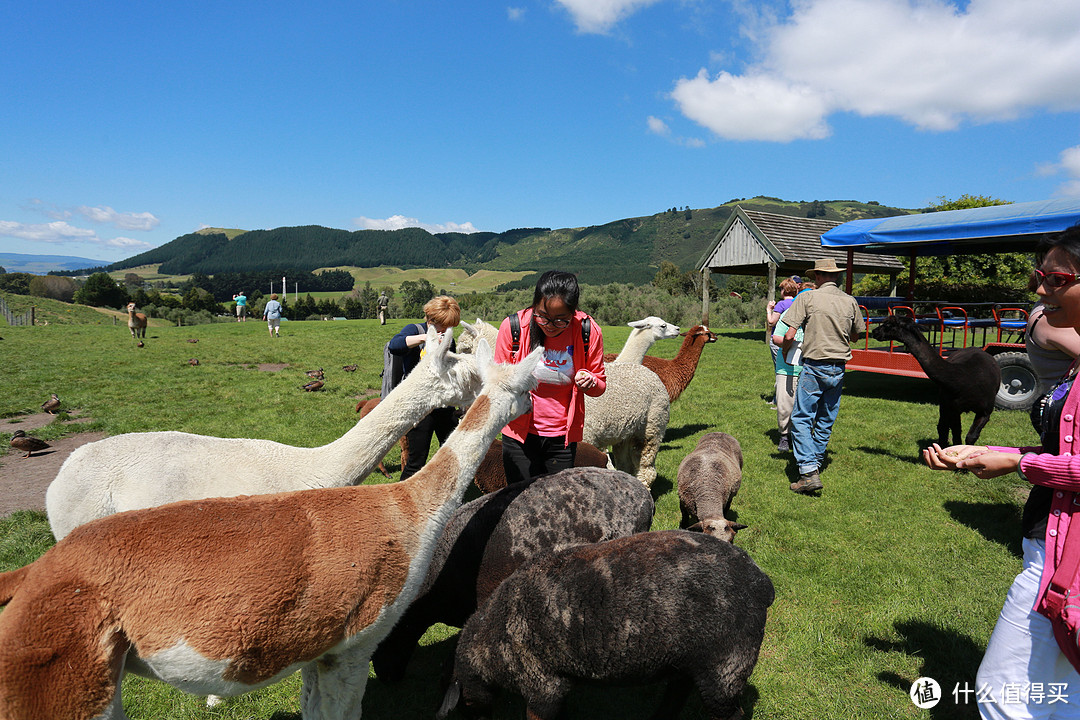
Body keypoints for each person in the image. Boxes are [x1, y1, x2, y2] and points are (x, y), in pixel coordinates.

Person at [923, 226, 1080, 719]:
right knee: (1061, 695)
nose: (1039, 290)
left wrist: (1017, 462)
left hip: (1063, 561)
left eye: (1055, 278)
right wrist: (994, 449)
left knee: (1002, 693)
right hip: (1055, 543)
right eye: (1039, 276)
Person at [495, 270, 606, 484]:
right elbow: (498, 381)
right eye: (543, 317)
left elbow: (600, 385)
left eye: (560, 320)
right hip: (518, 433)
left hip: (561, 438)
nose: (549, 326)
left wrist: (590, 382)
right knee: (520, 501)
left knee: (555, 504)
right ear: (534, 305)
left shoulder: (588, 331)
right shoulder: (513, 328)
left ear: (573, 313)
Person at [781, 258, 865, 494]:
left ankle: (808, 471)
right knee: (826, 418)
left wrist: (786, 352)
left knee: (801, 419)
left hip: (814, 364)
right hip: (838, 368)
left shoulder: (807, 297)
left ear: (817, 276)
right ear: (836, 276)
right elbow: (857, 335)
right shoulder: (850, 301)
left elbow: (789, 332)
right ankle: (814, 462)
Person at [387, 295, 461, 480]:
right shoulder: (415, 329)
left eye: (450, 326)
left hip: (444, 406)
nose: (447, 331)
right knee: (416, 461)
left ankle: (446, 492)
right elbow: (394, 345)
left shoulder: (447, 337)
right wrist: (426, 338)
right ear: (431, 320)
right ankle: (401, 498)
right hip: (420, 409)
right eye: (443, 326)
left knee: (454, 453)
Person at [772, 281, 814, 452]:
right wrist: (792, 345)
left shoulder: (817, 317)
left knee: (808, 405)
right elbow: (777, 337)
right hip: (787, 367)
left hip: (810, 367)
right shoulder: (789, 314)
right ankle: (784, 435)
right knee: (785, 405)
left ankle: (804, 437)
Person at [766, 276, 801, 365]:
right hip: (796, 339)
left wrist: (769, 310)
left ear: (784, 291)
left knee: (780, 366)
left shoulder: (781, 304)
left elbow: (771, 322)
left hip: (780, 340)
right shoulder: (798, 303)